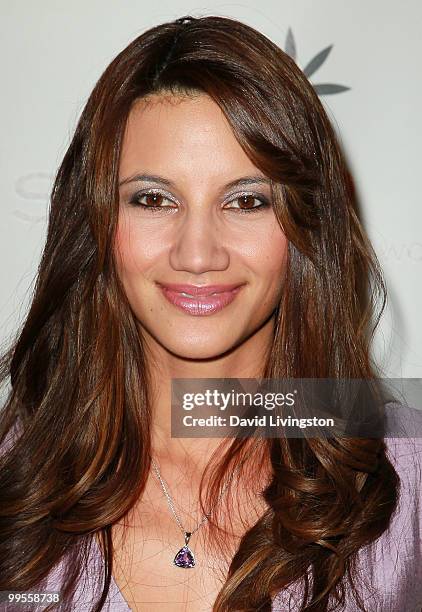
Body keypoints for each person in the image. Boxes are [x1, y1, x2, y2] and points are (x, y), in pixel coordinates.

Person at [0, 14, 421, 612]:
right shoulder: (13, 481)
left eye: (246, 200)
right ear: (95, 223)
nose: (197, 254)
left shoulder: (410, 481)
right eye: (153, 199)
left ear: (306, 227)